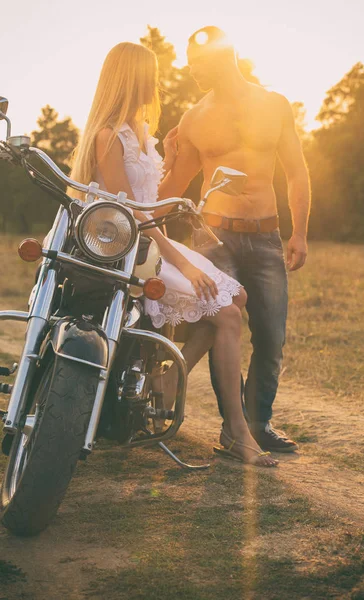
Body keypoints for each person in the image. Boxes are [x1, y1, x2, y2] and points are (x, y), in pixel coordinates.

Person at [70, 42, 278, 467]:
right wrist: (181, 260)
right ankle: (237, 432)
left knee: (233, 300)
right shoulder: (109, 137)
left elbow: (153, 201)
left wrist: (170, 161)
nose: (156, 82)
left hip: (155, 242)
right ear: (131, 77)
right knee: (227, 313)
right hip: (135, 252)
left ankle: (166, 381)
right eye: (150, 74)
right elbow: (132, 215)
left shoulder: (139, 133)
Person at [158, 26, 311, 453]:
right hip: (214, 235)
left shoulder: (274, 104)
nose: (193, 72)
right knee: (222, 323)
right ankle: (235, 430)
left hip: (266, 236)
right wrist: (168, 162)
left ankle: (258, 424)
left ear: (225, 57)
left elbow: (296, 171)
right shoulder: (195, 117)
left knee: (271, 336)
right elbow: (174, 186)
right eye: (189, 65)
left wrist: (299, 231)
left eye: (198, 63)